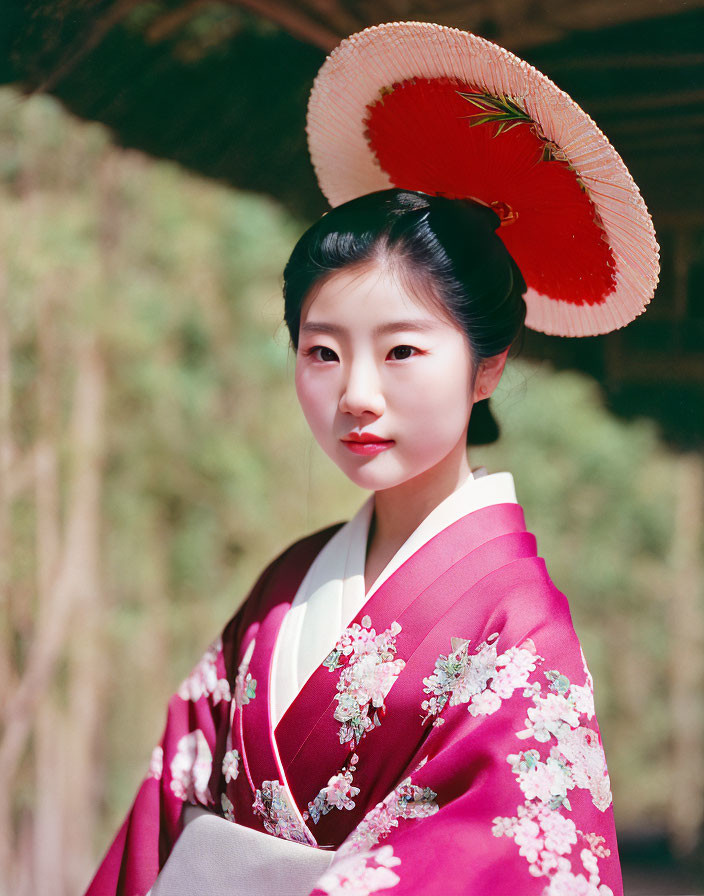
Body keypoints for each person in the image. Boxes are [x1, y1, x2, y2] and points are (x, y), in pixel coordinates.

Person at [85, 19, 660, 896]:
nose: (355, 393)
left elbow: (516, 861)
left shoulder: (519, 626)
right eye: (322, 352)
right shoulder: (288, 583)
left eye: (400, 353)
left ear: (487, 366)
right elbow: (167, 808)